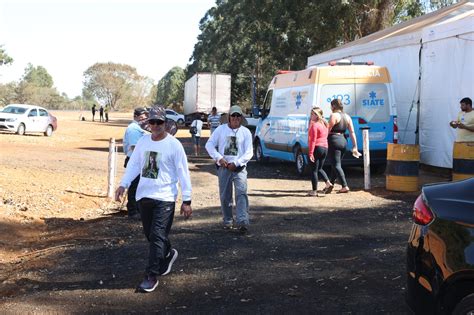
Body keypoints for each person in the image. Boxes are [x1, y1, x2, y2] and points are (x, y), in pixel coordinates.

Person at [115, 105, 192, 293]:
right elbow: (134, 165)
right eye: (152, 122)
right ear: (148, 123)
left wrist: (187, 200)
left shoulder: (174, 145)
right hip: (144, 196)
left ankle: (151, 275)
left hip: (165, 198)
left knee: (157, 235)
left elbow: (183, 172)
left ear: (165, 123)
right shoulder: (143, 142)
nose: (156, 125)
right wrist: (123, 184)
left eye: (159, 122)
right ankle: (167, 253)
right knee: (151, 235)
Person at [205, 105, 253, 232]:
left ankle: (242, 221)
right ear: (229, 117)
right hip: (224, 167)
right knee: (225, 195)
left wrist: (237, 163)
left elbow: (249, 152)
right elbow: (209, 144)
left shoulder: (245, 132)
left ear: (241, 118)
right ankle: (227, 220)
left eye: (238, 116)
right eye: (233, 115)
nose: (236, 118)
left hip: (239, 168)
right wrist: (219, 158)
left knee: (241, 194)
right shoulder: (220, 130)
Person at [324, 98, 360, 194]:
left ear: (333, 106)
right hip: (344, 141)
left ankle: (344, 186)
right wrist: (355, 146)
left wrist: (322, 141)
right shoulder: (347, 117)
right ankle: (330, 184)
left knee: (336, 165)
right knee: (336, 164)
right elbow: (352, 132)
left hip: (334, 140)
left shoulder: (333, 115)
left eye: (331, 106)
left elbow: (328, 129)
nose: (330, 108)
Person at [122, 107, 149, 220]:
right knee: (134, 186)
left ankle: (139, 208)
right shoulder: (133, 128)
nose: (144, 119)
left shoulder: (139, 127)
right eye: (142, 117)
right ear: (136, 116)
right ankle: (133, 211)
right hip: (135, 160)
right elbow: (134, 147)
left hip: (142, 159)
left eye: (146, 117)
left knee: (140, 185)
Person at [307, 107, 331, 197]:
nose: (311, 116)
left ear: (317, 115)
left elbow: (313, 140)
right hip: (325, 148)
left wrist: (310, 153)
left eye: (312, 114)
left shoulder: (315, 125)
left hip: (317, 147)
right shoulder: (325, 124)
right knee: (319, 168)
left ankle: (314, 191)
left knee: (314, 170)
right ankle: (328, 183)